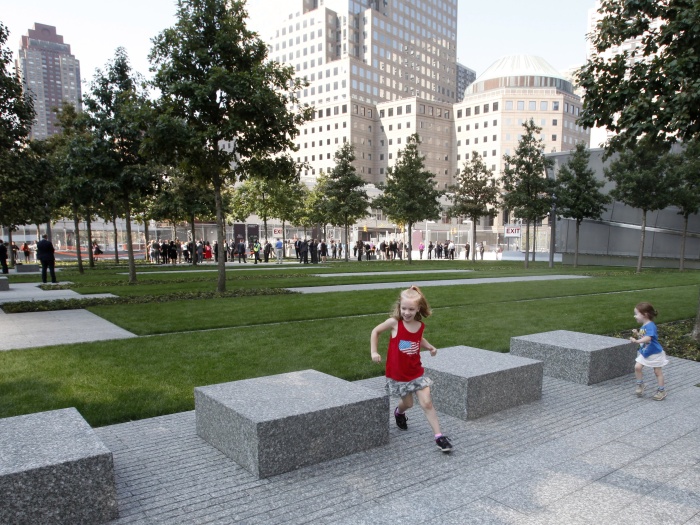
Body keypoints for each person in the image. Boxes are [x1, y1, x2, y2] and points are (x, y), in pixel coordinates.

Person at [370, 285, 453, 452]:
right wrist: (374, 351)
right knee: (408, 403)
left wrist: (429, 346)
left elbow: (418, 338)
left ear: (418, 309)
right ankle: (399, 413)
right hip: (399, 374)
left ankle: (439, 437)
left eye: (411, 309)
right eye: (404, 308)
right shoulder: (395, 323)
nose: (407, 312)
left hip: (416, 372)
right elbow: (375, 331)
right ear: (399, 307)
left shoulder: (419, 326)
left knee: (427, 403)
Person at [630, 302, 669, 400]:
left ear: (645, 315)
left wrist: (637, 341)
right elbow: (644, 336)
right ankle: (640, 384)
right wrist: (638, 333)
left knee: (657, 372)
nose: (635, 316)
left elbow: (648, 338)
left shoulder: (650, 325)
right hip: (645, 352)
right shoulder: (644, 325)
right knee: (637, 367)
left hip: (654, 353)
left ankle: (661, 391)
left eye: (636, 314)